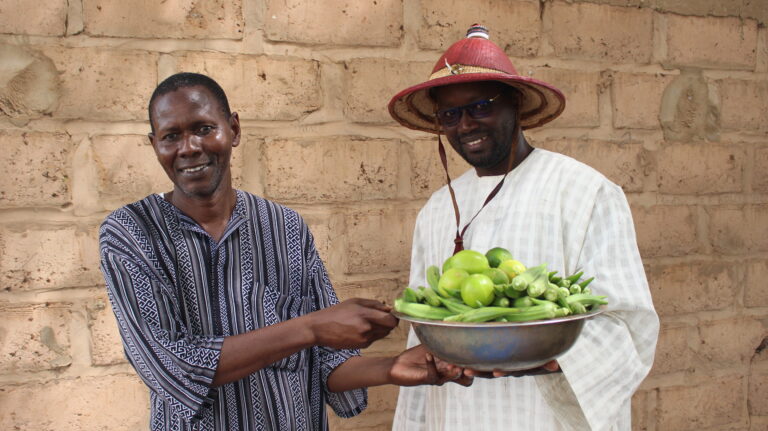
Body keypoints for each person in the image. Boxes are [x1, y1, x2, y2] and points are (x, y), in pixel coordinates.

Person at [99, 72, 471, 431]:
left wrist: (392, 368)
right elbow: (173, 366)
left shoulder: (285, 227)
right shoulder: (130, 234)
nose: (189, 147)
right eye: (170, 136)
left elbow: (329, 361)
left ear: (234, 130)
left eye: (203, 128)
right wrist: (310, 328)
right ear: (154, 145)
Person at [388, 25, 659, 430]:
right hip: (458, 413)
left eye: (480, 106)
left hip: (543, 418)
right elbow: (424, 331)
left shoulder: (584, 191)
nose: (465, 125)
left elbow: (627, 321)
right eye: (450, 114)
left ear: (515, 105)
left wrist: (550, 357)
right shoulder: (437, 209)